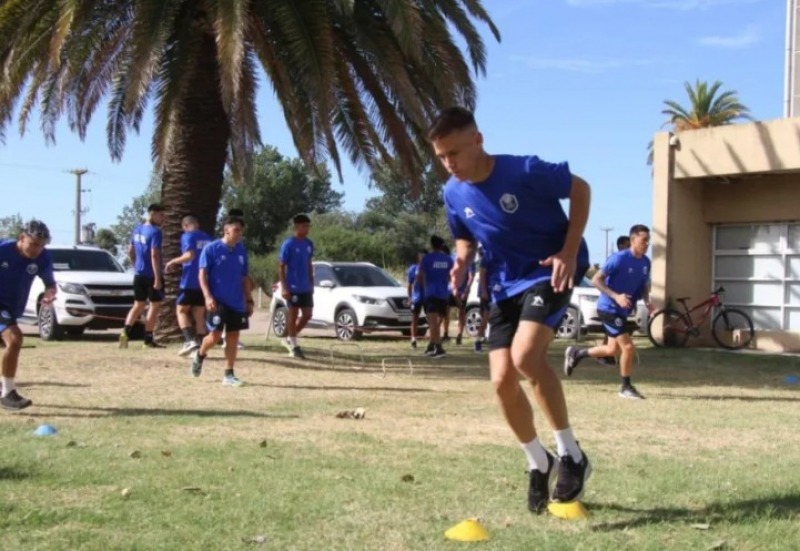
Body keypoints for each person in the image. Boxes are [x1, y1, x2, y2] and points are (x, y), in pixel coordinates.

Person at [430, 106, 592, 512]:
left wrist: (569, 252)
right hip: (504, 285)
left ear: (477, 140)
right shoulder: (452, 191)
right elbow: (464, 235)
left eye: (454, 153)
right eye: (441, 157)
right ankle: (539, 461)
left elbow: (581, 189)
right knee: (501, 381)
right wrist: (462, 261)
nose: (450, 164)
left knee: (525, 357)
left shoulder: (524, 170)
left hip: (548, 270)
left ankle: (572, 453)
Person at [564, 225, 655, 399]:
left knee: (612, 350)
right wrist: (616, 296)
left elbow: (643, 284)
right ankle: (625, 387)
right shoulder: (619, 259)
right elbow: (596, 280)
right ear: (633, 240)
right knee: (628, 347)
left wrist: (647, 301)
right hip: (608, 308)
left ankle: (577, 353)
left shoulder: (645, 262)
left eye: (648, 240)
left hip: (622, 310)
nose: (647, 243)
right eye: (644, 240)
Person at [0, 220, 56, 410]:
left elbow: (50, 284)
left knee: (9, 343)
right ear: (22, 238)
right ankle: (7, 393)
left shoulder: (42, 257)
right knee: (14, 339)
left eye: (41, 245)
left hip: (13, 308)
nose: (37, 249)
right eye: (33, 244)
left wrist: (49, 293)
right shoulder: (3, 250)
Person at [190, 215, 253, 386]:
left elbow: (245, 277)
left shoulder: (241, 250)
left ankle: (229, 374)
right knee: (215, 335)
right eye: (236, 230)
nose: (239, 234)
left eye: (241, 231)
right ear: (226, 230)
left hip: (237, 302)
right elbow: (202, 274)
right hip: (217, 301)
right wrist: (207, 296)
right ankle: (200, 354)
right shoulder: (211, 249)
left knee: (233, 336)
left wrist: (249, 299)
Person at [165, 215, 212, 357]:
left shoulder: (187, 237)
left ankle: (190, 340)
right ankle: (201, 348)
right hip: (204, 282)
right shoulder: (208, 238)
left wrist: (172, 261)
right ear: (197, 223)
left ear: (185, 226)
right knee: (199, 314)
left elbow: (189, 255)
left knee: (181, 311)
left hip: (190, 281)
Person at [120, 203, 165, 349]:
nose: (162, 218)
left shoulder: (137, 229)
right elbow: (154, 255)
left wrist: (135, 265)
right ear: (152, 214)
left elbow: (130, 250)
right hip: (151, 274)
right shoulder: (155, 232)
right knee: (154, 305)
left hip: (138, 274)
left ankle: (125, 333)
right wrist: (158, 278)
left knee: (138, 305)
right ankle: (148, 339)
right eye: (161, 215)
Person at [278, 214, 314, 359]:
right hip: (292, 286)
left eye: (308, 226)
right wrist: (284, 287)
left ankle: (288, 337)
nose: (307, 229)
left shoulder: (309, 244)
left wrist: (312, 282)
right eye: (304, 225)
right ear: (297, 226)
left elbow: (309, 264)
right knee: (292, 315)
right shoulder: (289, 244)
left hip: (305, 286)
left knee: (307, 315)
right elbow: (281, 267)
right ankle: (294, 345)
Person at [598, 234, 634, 366]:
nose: (630, 248)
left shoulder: (630, 261)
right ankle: (607, 356)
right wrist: (614, 296)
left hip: (622, 306)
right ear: (620, 246)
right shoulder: (615, 260)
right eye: (627, 245)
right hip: (610, 305)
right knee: (617, 336)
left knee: (611, 336)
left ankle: (607, 356)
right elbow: (599, 280)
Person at [417, 235, 453, 358]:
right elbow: (451, 276)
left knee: (432, 323)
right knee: (437, 323)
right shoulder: (448, 259)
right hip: (443, 294)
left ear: (431, 245)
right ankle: (431, 345)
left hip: (431, 293)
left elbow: (420, 276)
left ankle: (439, 348)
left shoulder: (427, 259)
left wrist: (423, 287)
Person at [406, 249, 427, 349]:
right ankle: (413, 339)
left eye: (424, 256)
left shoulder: (429, 268)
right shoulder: (413, 269)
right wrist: (410, 298)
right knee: (415, 318)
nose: (422, 258)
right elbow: (409, 285)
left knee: (432, 318)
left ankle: (434, 340)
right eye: (420, 256)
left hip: (428, 297)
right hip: (417, 298)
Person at [473, 249, 492, 353]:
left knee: (491, 318)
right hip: (487, 292)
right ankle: (477, 341)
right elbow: (482, 274)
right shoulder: (487, 257)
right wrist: (484, 291)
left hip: (494, 291)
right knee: (486, 316)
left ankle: (487, 338)